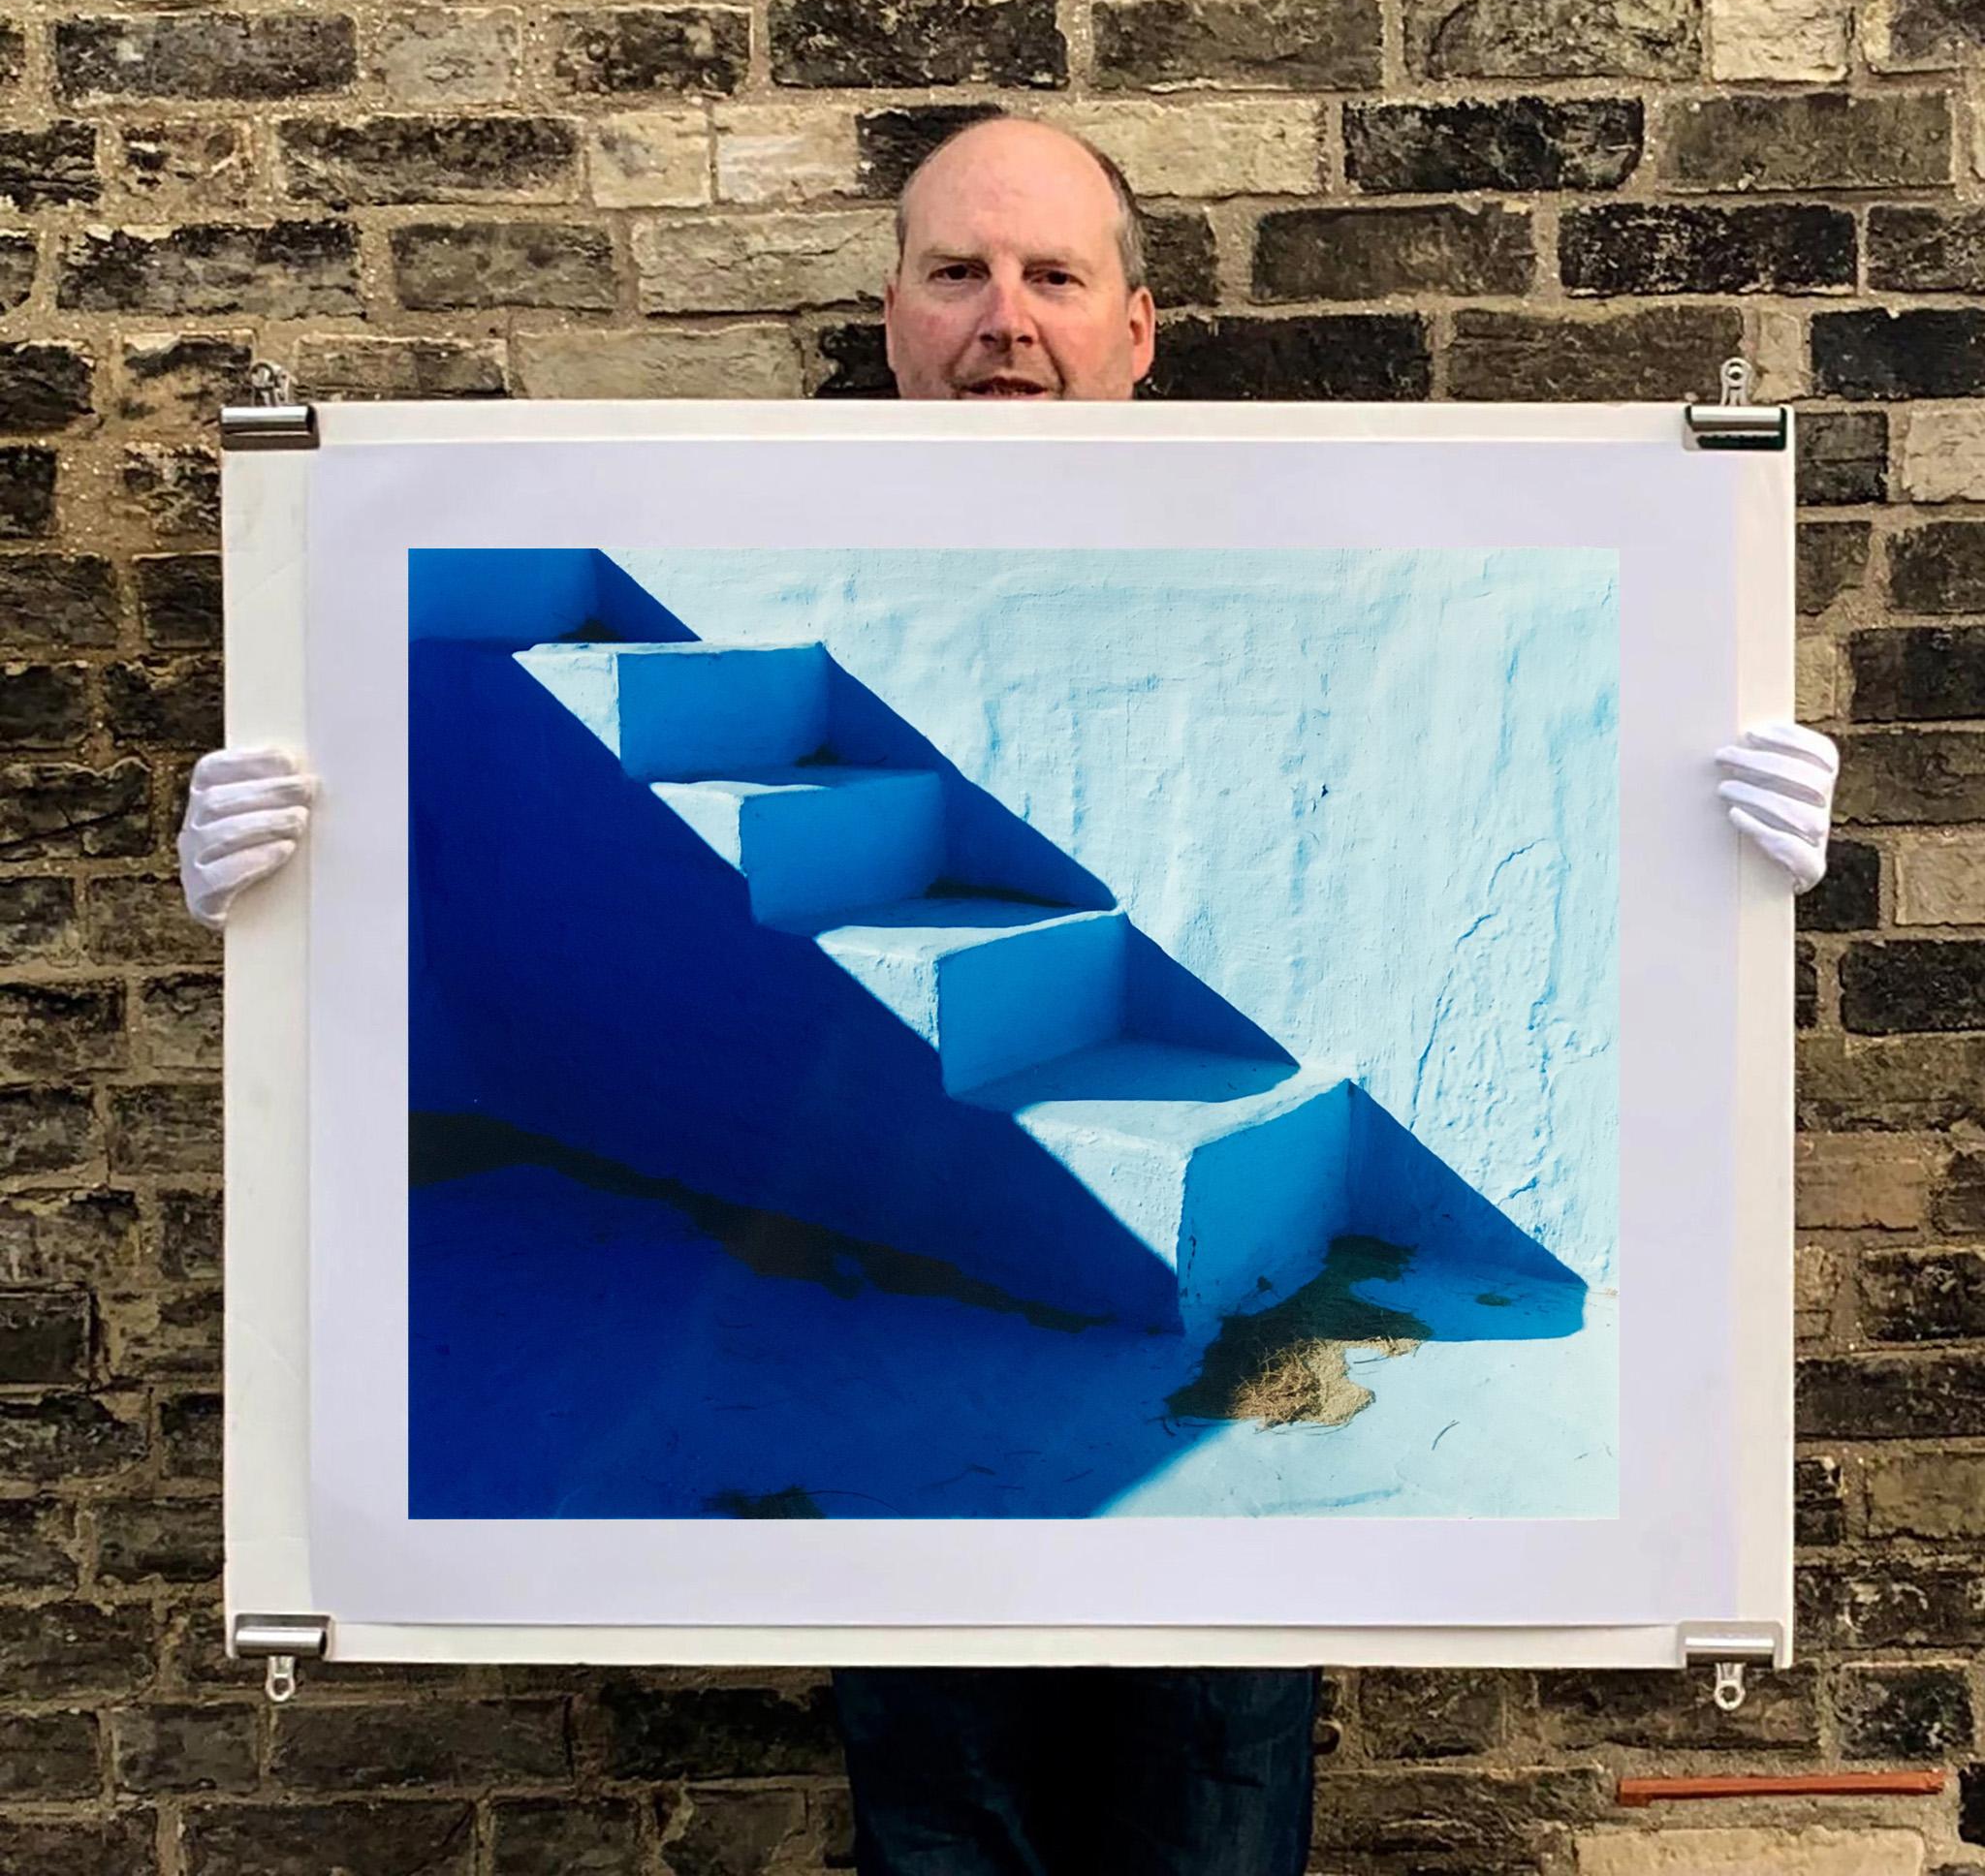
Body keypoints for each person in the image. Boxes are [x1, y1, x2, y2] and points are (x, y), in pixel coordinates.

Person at [179, 115, 1840, 1873]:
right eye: (959, 273)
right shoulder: (716, 524)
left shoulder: (1305, 533)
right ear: (889, 314)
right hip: (898, 1533)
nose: (1005, 319)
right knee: (940, 1825)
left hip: (1229, 1589)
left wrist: (1715, 862)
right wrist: (294, 896)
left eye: (1054, 276)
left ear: (1137, 329)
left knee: (1213, 1825)